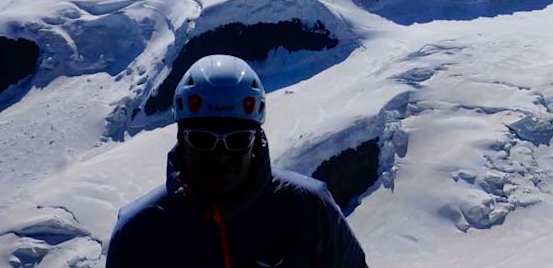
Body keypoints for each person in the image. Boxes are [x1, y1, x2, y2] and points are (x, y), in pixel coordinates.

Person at [107, 54, 367, 267]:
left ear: (256, 141)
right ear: (181, 138)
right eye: (203, 139)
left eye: (238, 139)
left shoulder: (310, 209)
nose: (221, 154)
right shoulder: (138, 233)